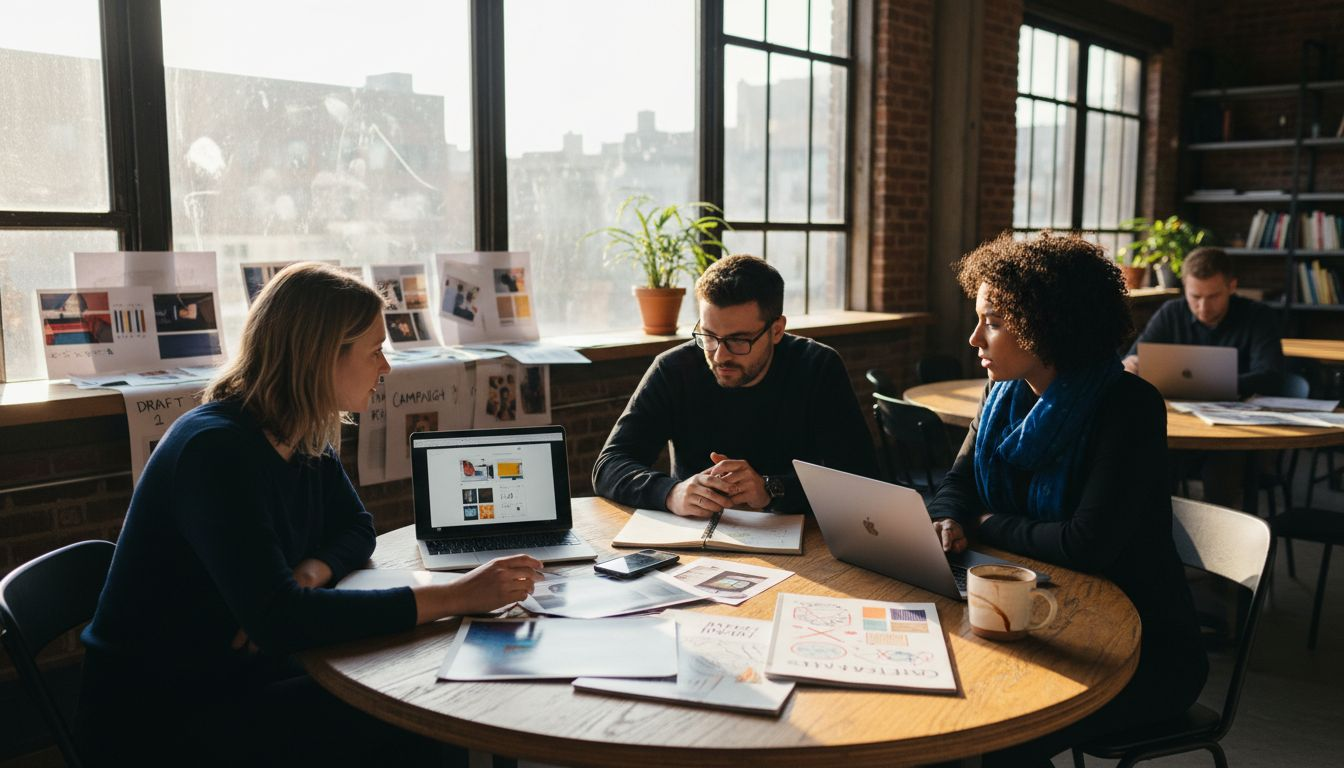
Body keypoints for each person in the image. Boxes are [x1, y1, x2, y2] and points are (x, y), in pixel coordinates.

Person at [78, 263, 541, 766]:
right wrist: (456, 595)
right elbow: (281, 622)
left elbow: (355, 528)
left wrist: (307, 572)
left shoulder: (295, 430)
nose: (385, 368)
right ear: (322, 357)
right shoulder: (215, 451)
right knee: (415, 711)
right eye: (374, 351)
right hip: (164, 715)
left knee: (412, 699)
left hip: (236, 670)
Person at [926, 233, 1207, 766]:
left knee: (998, 728)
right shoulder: (1001, 394)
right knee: (941, 705)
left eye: (992, 321)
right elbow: (957, 483)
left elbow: (1086, 544)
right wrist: (947, 517)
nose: (973, 339)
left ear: (1045, 324)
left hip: (1138, 647)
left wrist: (982, 523)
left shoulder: (1127, 406)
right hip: (1033, 611)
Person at [592, 254, 878, 517]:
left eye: (739, 340)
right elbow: (609, 466)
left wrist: (770, 489)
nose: (719, 355)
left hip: (805, 538)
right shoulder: (674, 369)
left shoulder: (817, 367)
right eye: (708, 336)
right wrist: (670, 492)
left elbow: (861, 479)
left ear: (776, 330)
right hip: (698, 539)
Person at [1122, 246, 1284, 396]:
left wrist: (1199, 385)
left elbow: (1270, 378)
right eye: (1195, 297)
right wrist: (1132, 364)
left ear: (1232, 286)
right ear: (1185, 287)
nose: (1203, 307)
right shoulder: (1171, 312)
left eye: (1213, 296)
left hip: (1241, 412)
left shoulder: (1259, 316)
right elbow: (1134, 357)